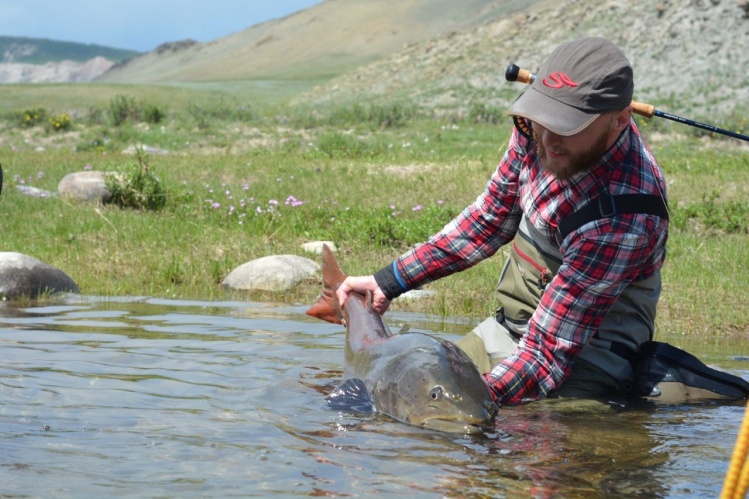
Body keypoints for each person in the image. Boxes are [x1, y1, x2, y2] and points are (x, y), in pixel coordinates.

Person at [335, 36, 671, 405]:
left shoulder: (625, 217)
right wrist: (390, 281)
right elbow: (488, 220)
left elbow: (545, 356)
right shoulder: (537, 126)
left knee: (498, 441)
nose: (547, 138)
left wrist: (470, 400)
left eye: (568, 127)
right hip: (506, 331)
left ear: (620, 121)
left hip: (584, 358)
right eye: (541, 121)